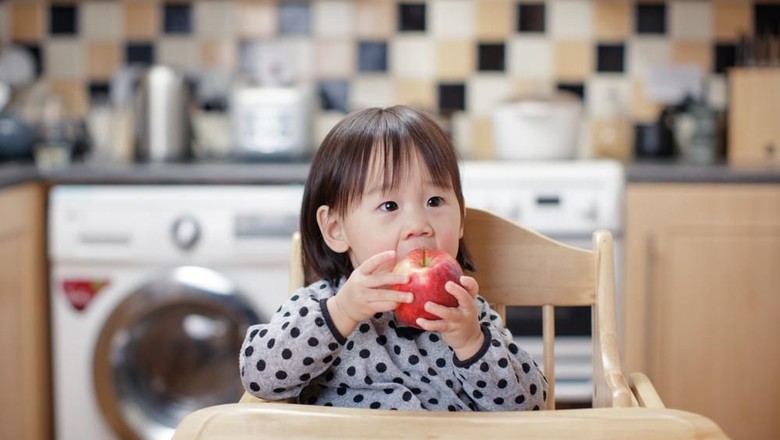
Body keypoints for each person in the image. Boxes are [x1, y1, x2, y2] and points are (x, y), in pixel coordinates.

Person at [239, 105, 547, 411]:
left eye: (434, 200)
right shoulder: (322, 306)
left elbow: (529, 406)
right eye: (389, 206)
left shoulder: (468, 314)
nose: (418, 226)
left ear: (461, 218)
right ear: (335, 229)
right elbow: (259, 377)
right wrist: (341, 313)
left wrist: (471, 344)